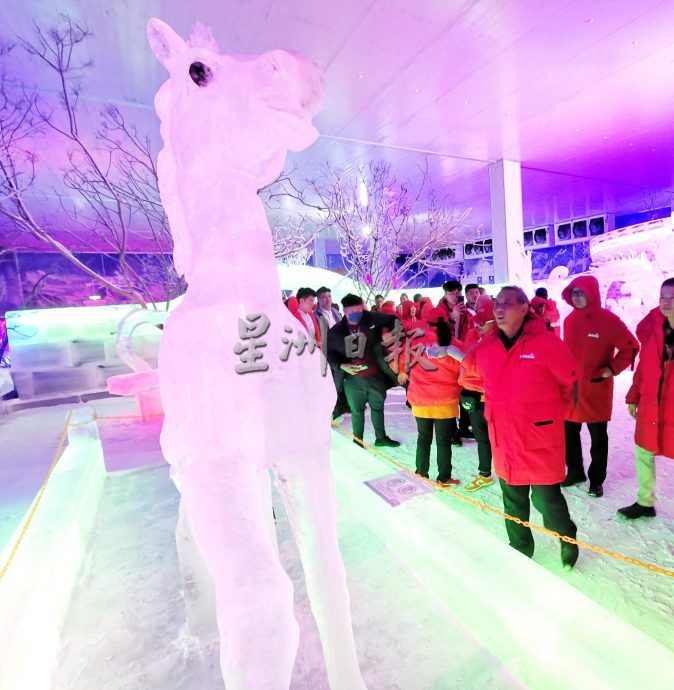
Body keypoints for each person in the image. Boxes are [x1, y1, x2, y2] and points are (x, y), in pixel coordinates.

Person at [452, 286, 580, 569]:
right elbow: (469, 376)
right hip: (504, 435)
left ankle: (567, 537)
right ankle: (520, 549)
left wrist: (551, 415)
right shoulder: (486, 347)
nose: (499, 308)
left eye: (508, 303)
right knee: (513, 501)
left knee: (547, 501)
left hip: (540, 435)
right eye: (497, 303)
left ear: (524, 309)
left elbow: (570, 382)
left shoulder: (546, 343)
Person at [561, 276, 639, 497]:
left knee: (598, 436)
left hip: (596, 389)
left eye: (581, 292)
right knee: (569, 433)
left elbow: (631, 347)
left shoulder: (609, 321)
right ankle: (575, 471)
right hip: (571, 388)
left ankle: (596, 479)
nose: (576, 297)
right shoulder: (569, 320)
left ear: (592, 293)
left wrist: (612, 369)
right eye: (574, 292)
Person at [619, 277, 674, 519]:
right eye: (663, 297)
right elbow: (644, 366)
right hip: (653, 403)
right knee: (643, 451)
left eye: (673, 298)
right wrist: (634, 395)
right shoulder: (653, 329)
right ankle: (645, 501)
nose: (667, 302)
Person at [397, 305, 463, 486]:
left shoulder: (415, 341)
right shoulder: (452, 342)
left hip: (420, 400)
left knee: (423, 439)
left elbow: (401, 360)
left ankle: (421, 474)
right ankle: (444, 478)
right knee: (444, 442)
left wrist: (403, 371)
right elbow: (465, 364)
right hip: (446, 401)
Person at [327, 294, 401, 448]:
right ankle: (358, 440)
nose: (356, 313)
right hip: (352, 379)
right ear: (344, 311)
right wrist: (342, 365)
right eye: (352, 311)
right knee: (357, 410)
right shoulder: (336, 332)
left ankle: (381, 437)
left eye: (359, 310)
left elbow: (393, 320)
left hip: (375, 375)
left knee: (377, 407)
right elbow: (329, 354)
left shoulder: (371, 318)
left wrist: (391, 334)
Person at [460, 295, 497, 491]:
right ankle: (485, 473)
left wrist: (460, 358)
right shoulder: (483, 338)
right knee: (483, 439)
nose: (479, 325)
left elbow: (479, 369)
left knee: (493, 439)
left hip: (488, 401)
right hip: (477, 400)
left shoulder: (495, 342)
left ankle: (504, 476)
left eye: (483, 322)